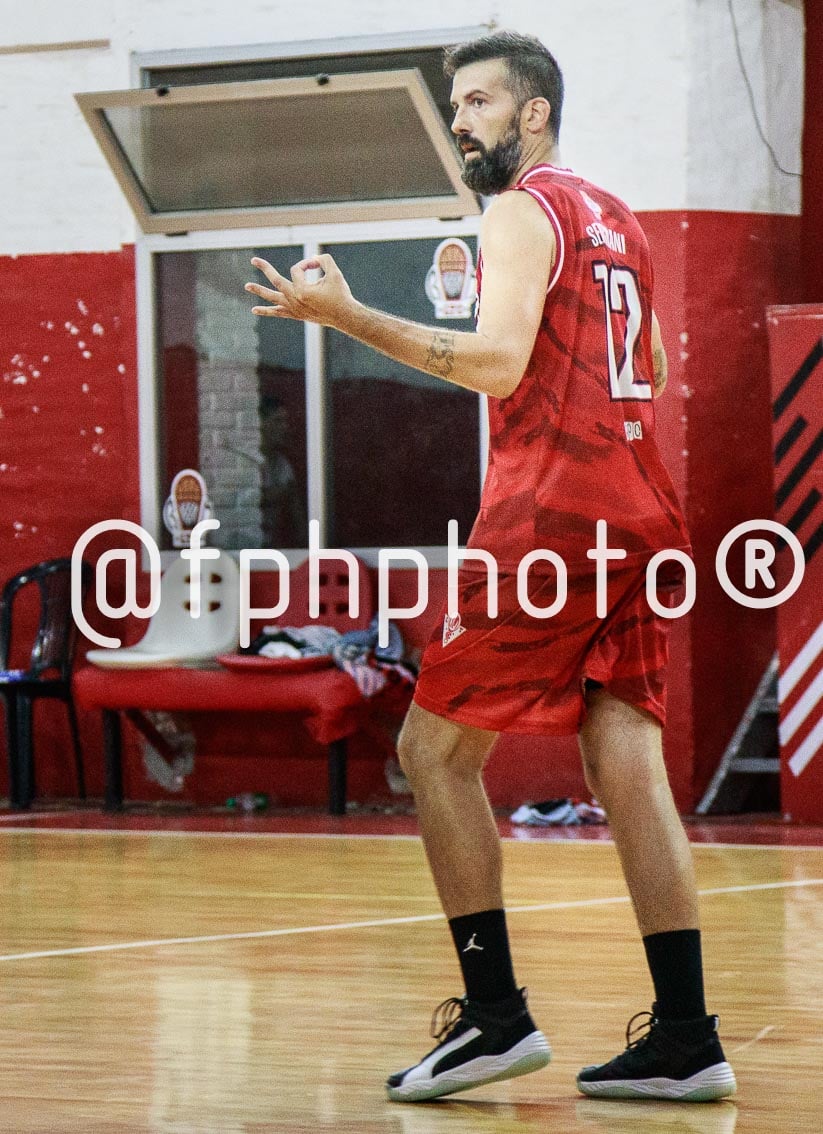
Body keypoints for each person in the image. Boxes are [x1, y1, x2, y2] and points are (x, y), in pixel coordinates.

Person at [244, 30, 736, 1104]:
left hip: (553, 517)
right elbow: (647, 365)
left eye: (476, 103)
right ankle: (688, 1033)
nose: (459, 122)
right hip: (642, 511)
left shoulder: (519, 212)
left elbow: (497, 363)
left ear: (535, 114)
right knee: (626, 761)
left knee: (433, 752)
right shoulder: (620, 221)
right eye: (456, 104)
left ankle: (494, 1018)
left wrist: (341, 316)